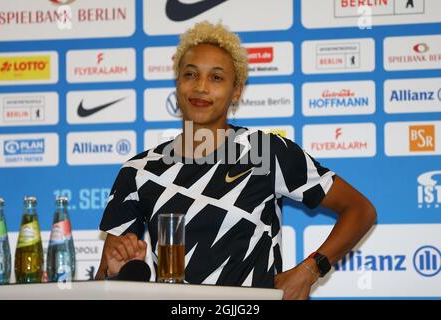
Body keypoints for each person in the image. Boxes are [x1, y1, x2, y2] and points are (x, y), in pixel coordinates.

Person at [95, 21, 377, 300]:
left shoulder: (266, 151)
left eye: (216, 77)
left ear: (237, 90)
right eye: (190, 74)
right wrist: (115, 274)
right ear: (178, 82)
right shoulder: (139, 171)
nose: (201, 87)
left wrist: (309, 270)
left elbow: (360, 210)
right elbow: (103, 283)